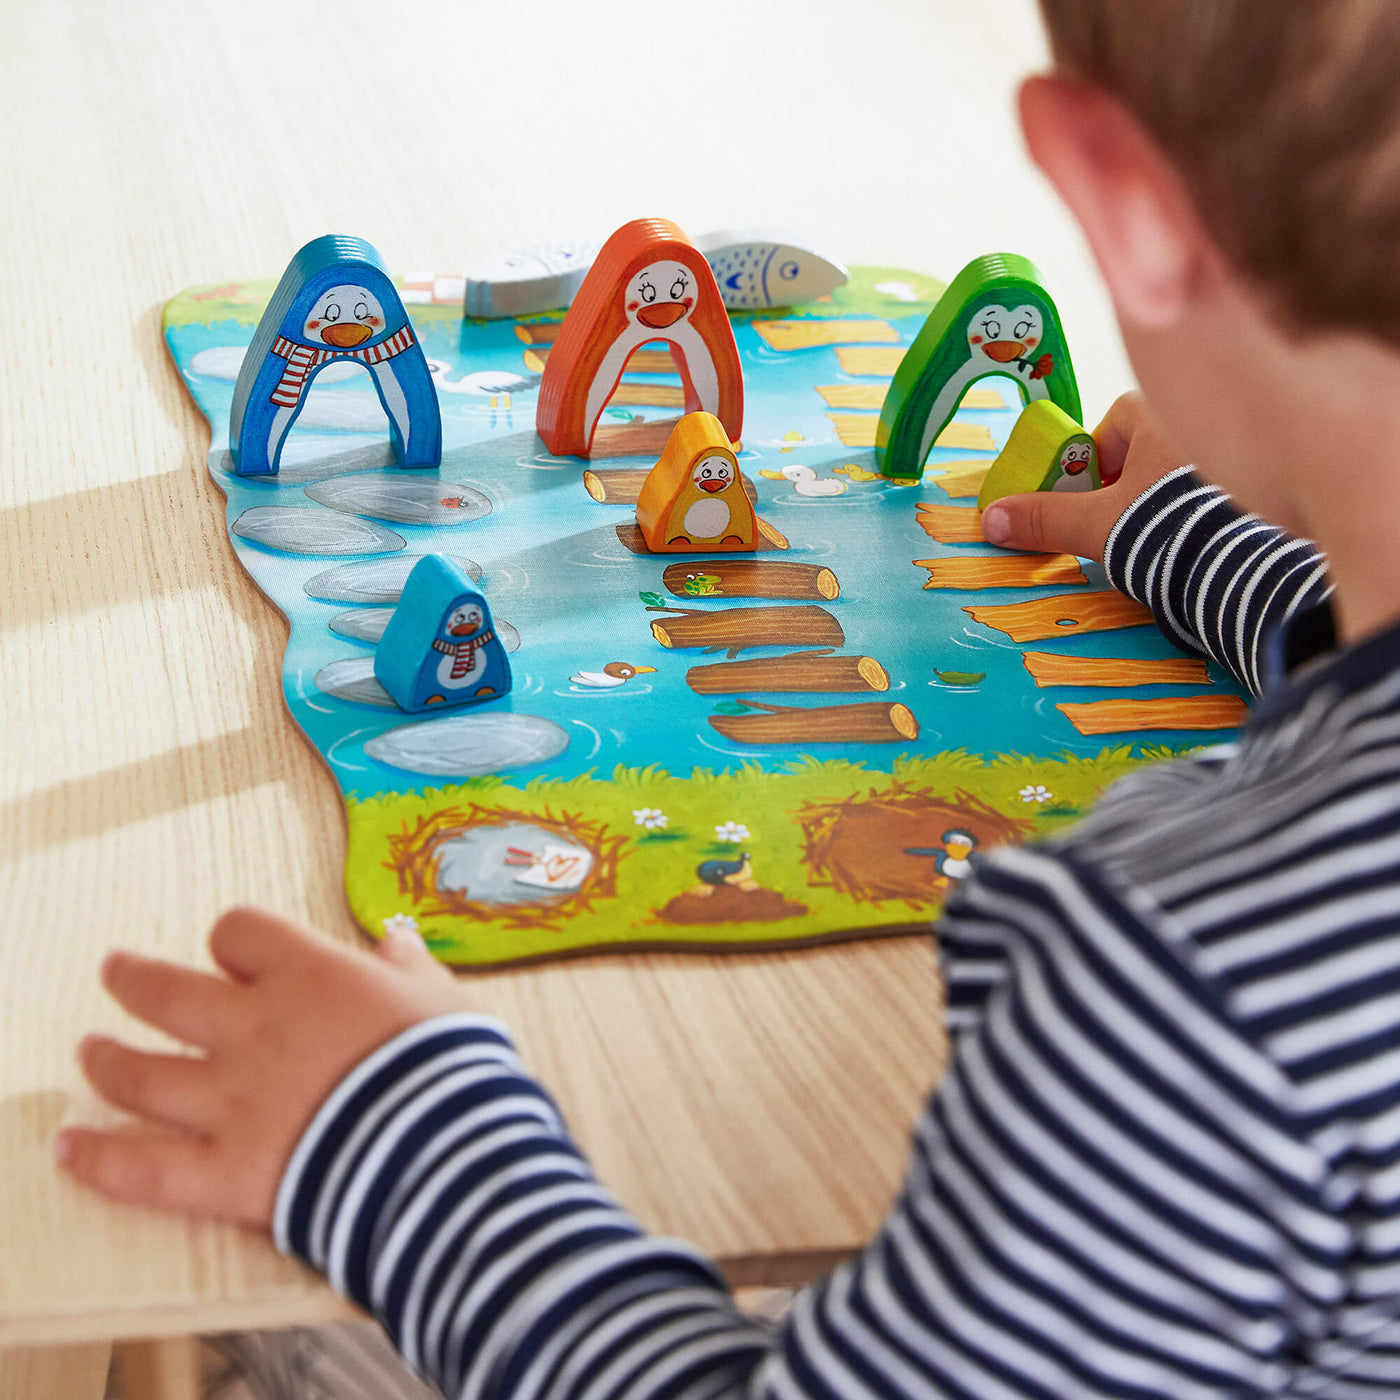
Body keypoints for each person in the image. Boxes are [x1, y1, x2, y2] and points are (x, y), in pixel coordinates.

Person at [57, 1, 1400, 1393]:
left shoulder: (1185, 985)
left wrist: (410, 1146)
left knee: (262, 1324)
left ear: (1121, 200)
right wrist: (1242, 558)